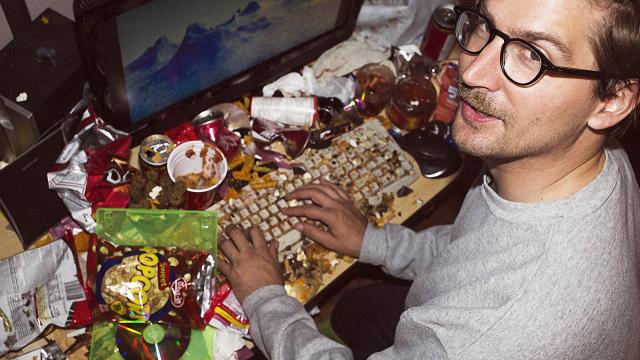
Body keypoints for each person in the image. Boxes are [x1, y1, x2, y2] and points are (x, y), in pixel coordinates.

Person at [217, 0, 640, 358]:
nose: (470, 71)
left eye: (534, 54)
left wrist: (264, 297)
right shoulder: (589, 162)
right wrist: (372, 241)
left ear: (613, 100)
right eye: (484, 28)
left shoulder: (487, 337)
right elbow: (475, 246)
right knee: (354, 310)